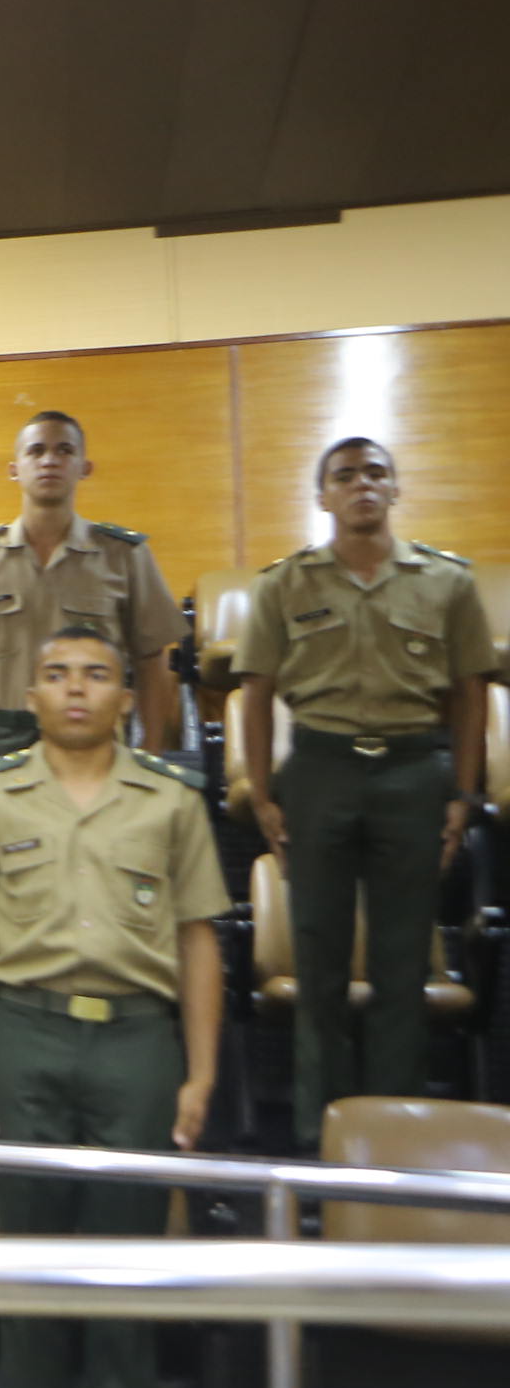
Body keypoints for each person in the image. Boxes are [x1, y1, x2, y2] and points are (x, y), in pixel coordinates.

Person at [0, 626, 227, 1388]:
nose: (75, 690)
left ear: (126, 699)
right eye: (56, 675)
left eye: (96, 676)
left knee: (122, 1276)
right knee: (29, 1275)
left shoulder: (170, 801)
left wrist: (202, 1071)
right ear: (31, 695)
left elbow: (199, 939)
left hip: (138, 1042)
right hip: (23, 1036)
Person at [236, 438, 493, 1147]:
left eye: (375, 473)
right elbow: (254, 695)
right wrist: (263, 794)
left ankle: (392, 1144)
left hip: (414, 773)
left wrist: (461, 795)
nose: (362, 485)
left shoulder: (447, 582)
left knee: (401, 967)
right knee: (316, 967)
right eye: (344, 476)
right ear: (323, 497)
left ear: (396, 488)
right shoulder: (285, 585)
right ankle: (326, 1144)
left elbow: (472, 695)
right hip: (320, 770)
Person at [0, 412, 187, 770]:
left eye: (64, 451)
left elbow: (152, 662)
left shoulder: (124, 556)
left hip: (95, 735)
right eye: (36, 451)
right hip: (2, 735)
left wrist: (151, 753)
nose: (49, 461)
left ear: (84, 467)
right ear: (15, 468)